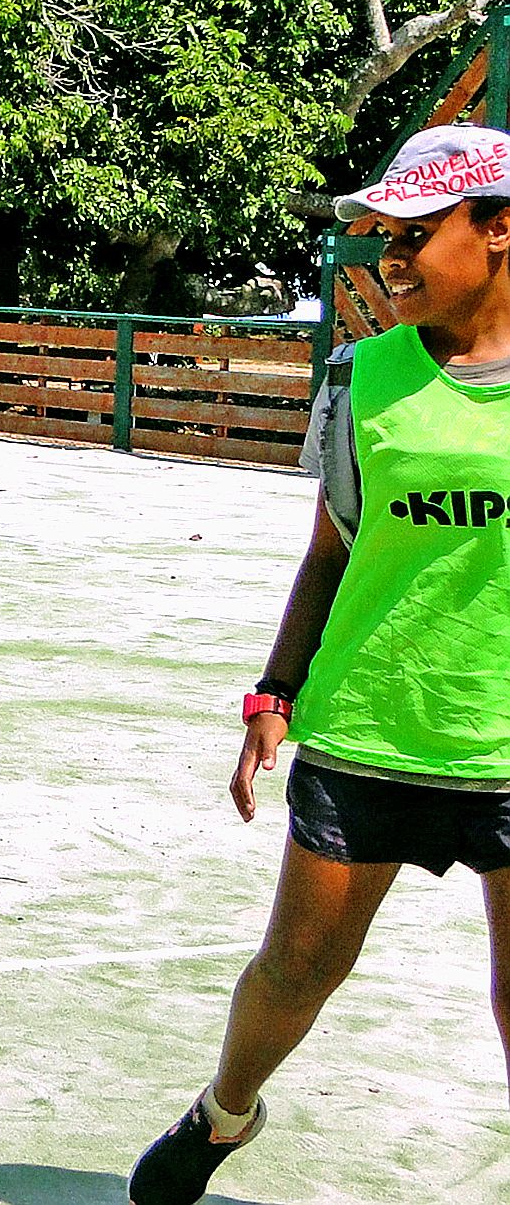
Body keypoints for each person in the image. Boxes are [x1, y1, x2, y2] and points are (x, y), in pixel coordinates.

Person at [128, 123, 510, 1205]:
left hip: (506, 746)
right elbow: (334, 549)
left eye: (416, 234)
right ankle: (224, 1113)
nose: (391, 259)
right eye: (382, 238)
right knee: (295, 972)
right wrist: (274, 692)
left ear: (500, 228)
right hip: (369, 730)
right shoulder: (363, 377)